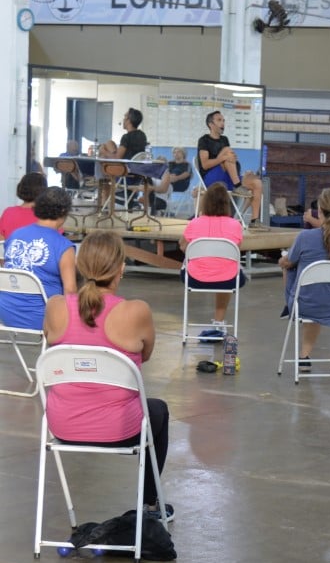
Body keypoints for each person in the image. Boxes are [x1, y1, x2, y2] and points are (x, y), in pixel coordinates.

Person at [43, 230, 170, 519]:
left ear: (82, 265)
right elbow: (144, 357)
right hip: (119, 429)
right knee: (158, 410)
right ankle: (150, 505)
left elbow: (50, 343)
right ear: (121, 267)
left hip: (62, 426)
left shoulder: (56, 306)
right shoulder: (135, 311)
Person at [279, 189, 330, 366]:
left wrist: (283, 260)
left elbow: (288, 262)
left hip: (304, 305)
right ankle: (304, 355)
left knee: (291, 268)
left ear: (319, 210)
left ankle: (289, 307)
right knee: (323, 282)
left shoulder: (305, 236)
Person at [0, 187, 77, 329]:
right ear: (63, 212)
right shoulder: (64, 246)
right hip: (43, 318)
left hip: (5, 313)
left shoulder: (16, 235)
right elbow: (70, 291)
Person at [180, 182, 245, 337]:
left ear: (206, 202)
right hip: (228, 280)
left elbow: (183, 247)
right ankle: (219, 321)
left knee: (221, 267)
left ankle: (213, 324)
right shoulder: (235, 225)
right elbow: (237, 250)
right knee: (228, 267)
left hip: (195, 279)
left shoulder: (194, 223)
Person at [196, 110, 263, 224]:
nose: (223, 123)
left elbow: (230, 160)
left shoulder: (224, 139)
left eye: (223, 120)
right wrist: (224, 157)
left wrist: (231, 158)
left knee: (257, 183)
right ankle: (237, 185)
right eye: (219, 120)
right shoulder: (204, 140)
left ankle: (254, 220)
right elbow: (205, 164)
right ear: (210, 124)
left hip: (229, 176)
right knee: (227, 152)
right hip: (211, 177)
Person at [144, 147, 192, 213]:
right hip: (168, 182)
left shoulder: (187, 164)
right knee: (151, 179)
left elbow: (186, 174)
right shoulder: (170, 163)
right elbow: (163, 171)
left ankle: (157, 202)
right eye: (174, 152)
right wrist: (169, 178)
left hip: (180, 184)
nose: (176, 154)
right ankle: (154, 201)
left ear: (183, 153)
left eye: (178, 152)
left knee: (159, 183)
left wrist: (176, 178)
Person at [1, 172, 47, 239]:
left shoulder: (8, 212)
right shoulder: (48, 215)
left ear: (20, 188)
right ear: (44, 191)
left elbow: (1, 243)